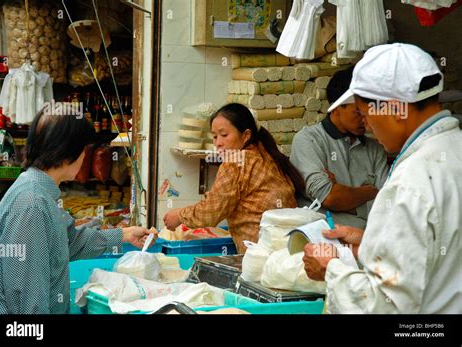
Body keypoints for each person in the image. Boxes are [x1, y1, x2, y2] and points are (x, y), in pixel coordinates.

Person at [303, 43, 462, 313]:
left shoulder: (413, 178)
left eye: (366, 116)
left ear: (392, 109)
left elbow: (383, 305)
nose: (368, 127)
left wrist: (330, 269)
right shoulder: (453, 149)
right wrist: (370, 242)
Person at [0, 108, 156, 314]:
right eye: (84, 150)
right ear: (67, 153)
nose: (85, 157)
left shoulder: (39, 192)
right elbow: (28, 301)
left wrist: (125, 235)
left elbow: (69, 243)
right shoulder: (32, 205)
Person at [163, 103, 305, 253]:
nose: (218, 143)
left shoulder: (236, 161)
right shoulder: (268, 155)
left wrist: (179, 215)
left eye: (224, 135)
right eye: (215, 136)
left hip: (259, 253)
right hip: (289, 249)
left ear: (246, 135)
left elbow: (211, 212)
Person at [290, 66, 389, 229]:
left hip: (367, 240)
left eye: (369, 111)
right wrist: (370, 191)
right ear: (336, 107)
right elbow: (329, 197)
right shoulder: (309, 140)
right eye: (358, 111)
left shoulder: (374, 149)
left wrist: (346, 197)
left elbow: (386, 204)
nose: (366, 118)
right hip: (324, 239)